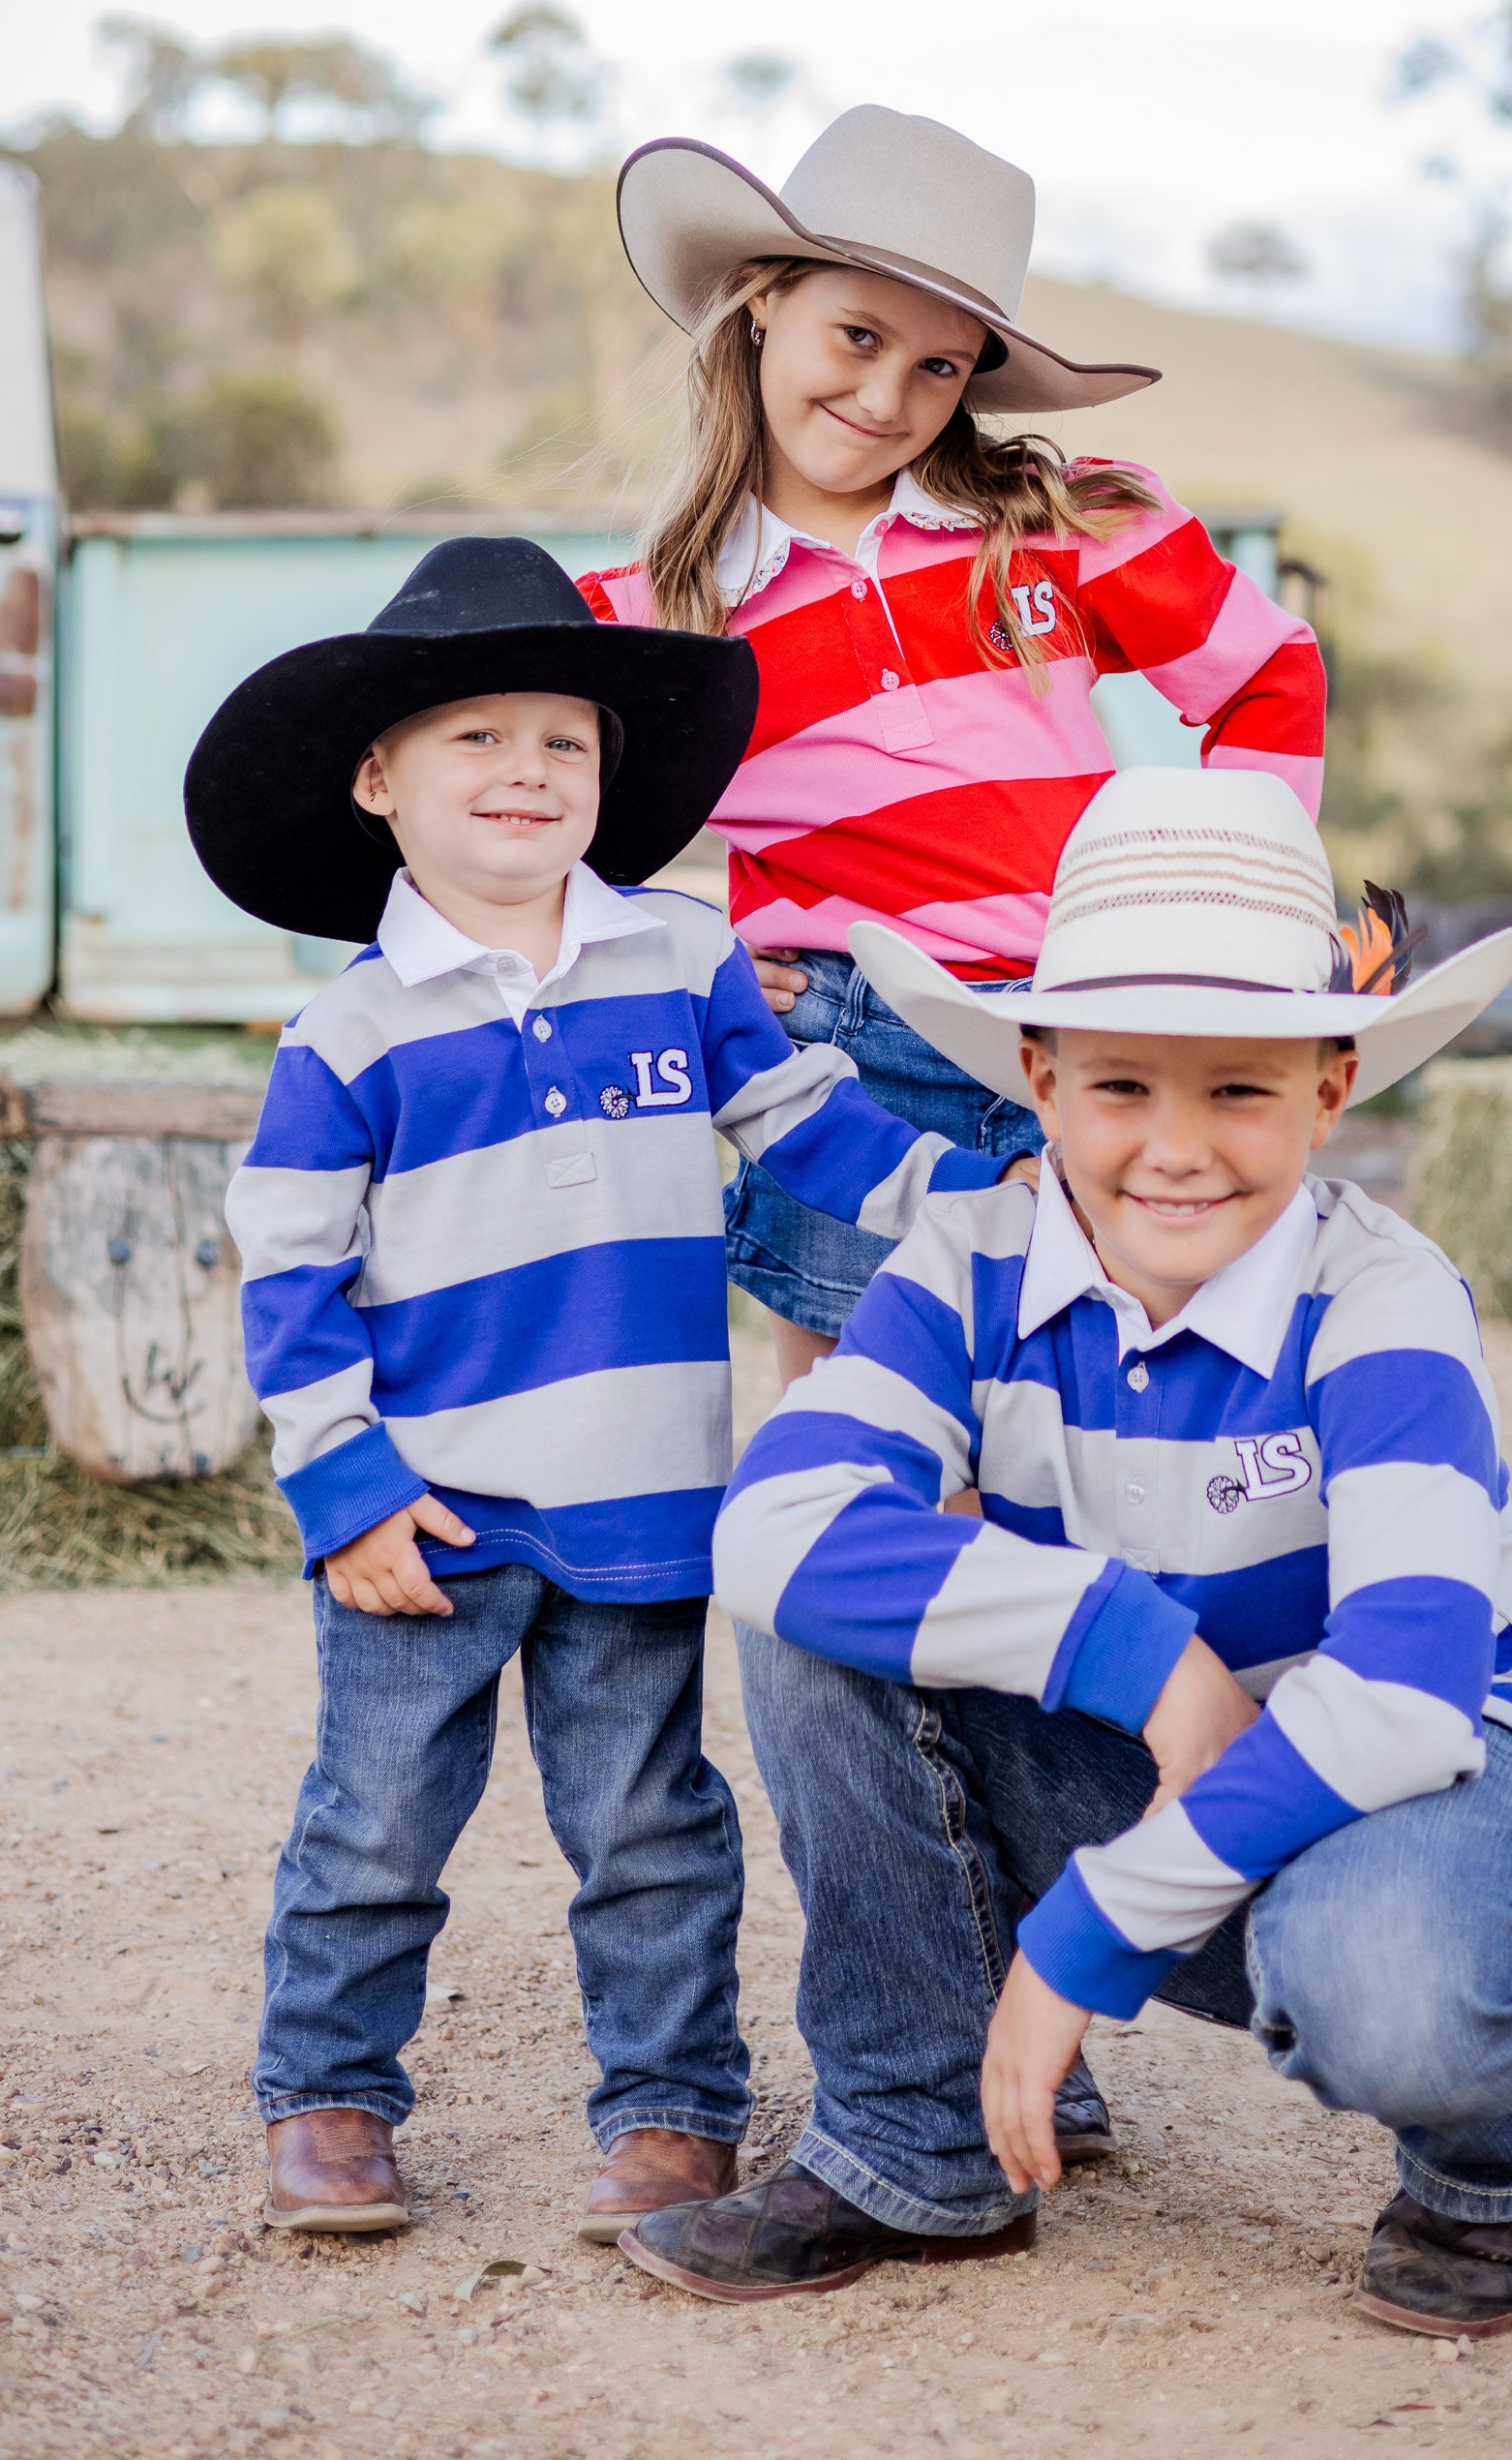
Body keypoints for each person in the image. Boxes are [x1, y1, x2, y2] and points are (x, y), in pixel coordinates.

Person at [621, 770, 1512, 2334]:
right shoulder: (970, 1254)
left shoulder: (1382, 1299)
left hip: (1436, 1787)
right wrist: (1139, 1652)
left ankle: (1488, 2172)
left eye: (1237, 1089)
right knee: (819, 1608)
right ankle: (915, 2132)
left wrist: (1083, 1940)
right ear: (1034, 1077)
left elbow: (1409, 1698)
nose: (1173, 1150)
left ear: (1329, 1088)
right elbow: (771, 1527)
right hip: (1161, 1755)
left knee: (1391, 1984)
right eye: (1117, 1089)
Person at [182, 534, 1029, 2246]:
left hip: (642, 1492)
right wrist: (339, 1483)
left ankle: (667, 2114)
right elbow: (285, 1271)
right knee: (374, 1823)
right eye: (473, 738)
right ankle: (331, 2100)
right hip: (423, 1504)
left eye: (562, 741)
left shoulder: (683, 959)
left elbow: (808, 1128)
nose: (525, 770)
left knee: (649, 1825)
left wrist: (990, 1206)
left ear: (605, 780)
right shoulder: (344, 1031)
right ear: (377, 780)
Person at [583, 103, 1326, 1403]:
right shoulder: (649, 617)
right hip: (844, 1060)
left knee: (1097, 1433)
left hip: (1089, 1027)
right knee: (857, 1446)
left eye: (940, 367)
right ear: (762, 302)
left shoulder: (1068, 526)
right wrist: (673, 935)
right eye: (856, 337)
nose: (885, 400)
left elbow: (1270, 672)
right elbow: (517, 829)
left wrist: (1215, 915)